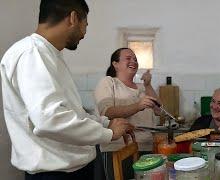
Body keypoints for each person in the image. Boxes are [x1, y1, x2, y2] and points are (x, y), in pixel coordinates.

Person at [0, 1, 133, 180]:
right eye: (85, 25)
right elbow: (50, 119)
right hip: (54, 174)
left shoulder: (49, 54)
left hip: (71, 169)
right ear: (72, 18)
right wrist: (108, 134)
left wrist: (104, 123)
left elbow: (70, 112)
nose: (84, 33)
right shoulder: (32, 53)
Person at [94, 48, 161, 179]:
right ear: (115, 64)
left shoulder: (142, 87)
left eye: (135, 59)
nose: (133, 61)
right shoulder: (109, 82)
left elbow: (159, 110)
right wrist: (138, 106)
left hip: (146, 148)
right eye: (128, 58)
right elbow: (107, 112)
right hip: (118, 149)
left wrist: (148, 85)